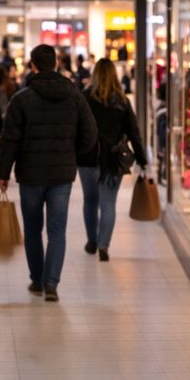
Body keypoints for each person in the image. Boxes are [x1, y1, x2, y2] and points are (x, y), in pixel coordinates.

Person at [0, 44, 97, 302]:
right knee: (57, 230)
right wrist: (73, 153)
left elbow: (9, 140)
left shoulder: (22, 99)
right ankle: (52, 283)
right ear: (56, 64)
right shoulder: (75, 96)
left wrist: (4, 171)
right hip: (61, 174)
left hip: (30, 174)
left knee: (32, 229)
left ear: (33, 66)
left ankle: (37, 279)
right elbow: (90, 134)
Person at [76, 58, 149, 262]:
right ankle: (103, 245)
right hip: (113, 160)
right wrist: (143, 160)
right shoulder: (122, 101)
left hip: (88, 159)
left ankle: (91, 240)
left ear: (94, 75)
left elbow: (77, 129)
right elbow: (134, 133)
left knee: (90, 201)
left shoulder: (85, 98)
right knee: (108, 204)